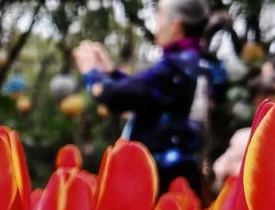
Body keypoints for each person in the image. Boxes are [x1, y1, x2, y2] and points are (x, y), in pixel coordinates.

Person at [74, 0, 217, 192]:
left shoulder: (175, 66)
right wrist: (110, 72)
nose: (157, 26)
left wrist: (92, 72)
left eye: (159, 16)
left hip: (161, 179)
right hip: (186, 175)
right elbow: (148, 95)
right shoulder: (199, 64)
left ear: (175, 24)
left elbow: (118, 96)